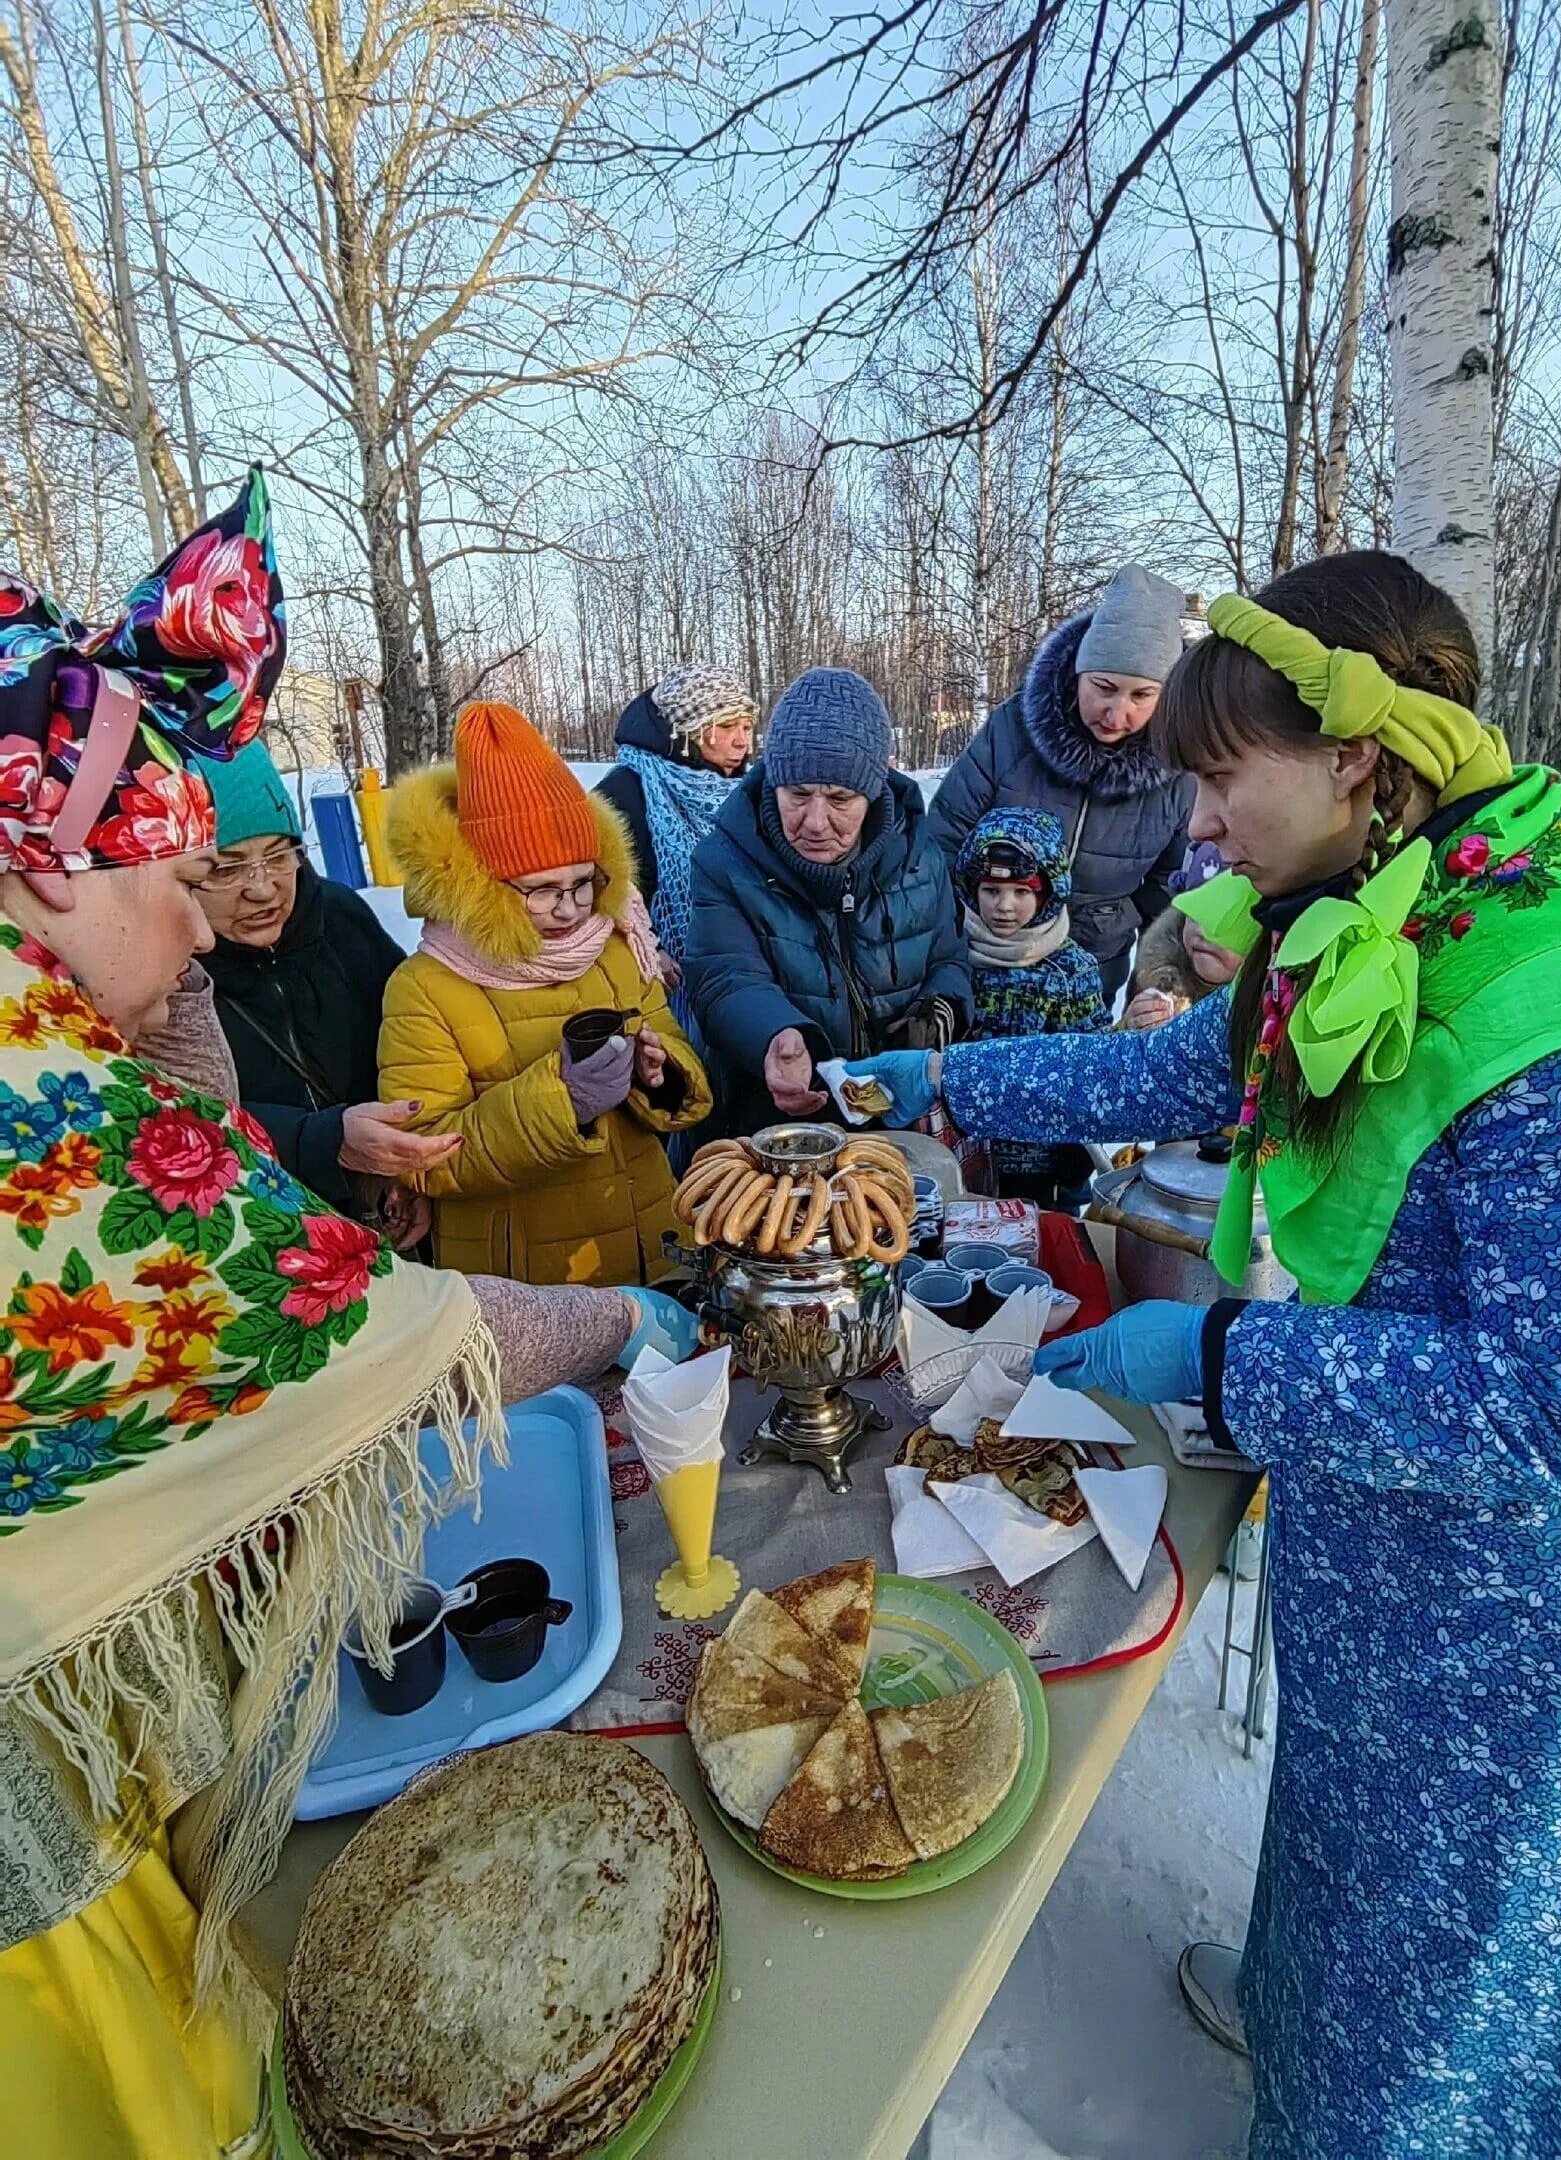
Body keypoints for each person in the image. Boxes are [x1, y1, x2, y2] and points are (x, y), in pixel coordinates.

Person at [846, 549, 1561, 2159]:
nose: (1194, 823)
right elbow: (1181, 1071)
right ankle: (1294, 2039)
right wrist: (929, 1085)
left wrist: (1219, 1357)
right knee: (1335, 1862)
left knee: (1440, 1990)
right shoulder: (1356, 917)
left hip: (1497, 1636)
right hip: (1367, 1543)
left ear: (1355, 758)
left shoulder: (1559, 997)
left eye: (1220, 778)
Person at [0, 477, 698, 2160]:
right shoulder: (29, 1112)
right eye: (152, 869)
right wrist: (611, 1330)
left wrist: (159, 1001)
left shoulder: (55, 1032)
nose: (191, 913)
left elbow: (206, 1147)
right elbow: (366, 1337)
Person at [379, 700, 712, 1284]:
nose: (571, 909)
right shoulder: (424, 988)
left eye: (584, 884)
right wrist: (565, 1101)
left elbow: (680, 1061)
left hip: (649, 1251)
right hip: (526, 1278)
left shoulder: (614, 947)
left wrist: (660, 1075)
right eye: (541, 891)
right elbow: (424, 1157)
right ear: (483, 885)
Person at [683, 666, 971, 1133]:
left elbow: (951, 957)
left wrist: (941, 1010)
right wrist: (776, 1035)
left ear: (873, 794)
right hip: (775, 1124)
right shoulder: (726, 861)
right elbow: (724, 977)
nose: (815, 822)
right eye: (797, 794)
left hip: (898, 1115)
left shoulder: (919, 853)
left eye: (839, 799)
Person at [186, 739, 447, 1247]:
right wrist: (323, 1143)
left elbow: (413, 1044)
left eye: (278, 855)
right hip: (260, 1237)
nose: (262, 889)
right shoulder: (163, 976)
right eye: (227, 867)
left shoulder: (340, 916)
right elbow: (173, 1120)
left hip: (385, 1217)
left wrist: (407, 1171)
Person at [927, 565, 1194, 1001]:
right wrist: (944, 951)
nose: (1115, 714)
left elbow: (1171, 893)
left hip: (1092, 969)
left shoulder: (1180, 768)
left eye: (1141, 696)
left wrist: (1153, 991)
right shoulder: (1012, 730)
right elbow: (942, 839)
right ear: (1076, 673)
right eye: (1103, 687)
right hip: (988, 960)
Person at [953, 806, 1106, 1200]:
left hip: (1039, 1159)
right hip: (959, 1150)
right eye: (991, 891)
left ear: (1049, 894)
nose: (1004, 906)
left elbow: (1093, 1060)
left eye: (1022, 892)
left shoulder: (1070, 970)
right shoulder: (951, 954)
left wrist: (1078, 1148)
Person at [593, 662, 756, 994]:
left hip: (743, 973)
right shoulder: (624, 793)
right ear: (687, 731)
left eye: (747, 727)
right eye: (726, 726)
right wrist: (649, 949)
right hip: (659, 986)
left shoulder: (747, 791)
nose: (742, 742)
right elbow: (596, 898)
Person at [1119, 839, 1242, 1030]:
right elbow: (1116, 1053)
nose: (1205, 931)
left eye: (1228, 922)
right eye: (1195, 912)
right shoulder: (1154, 982)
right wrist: (1130, 1028)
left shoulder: (1273, 1010)